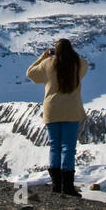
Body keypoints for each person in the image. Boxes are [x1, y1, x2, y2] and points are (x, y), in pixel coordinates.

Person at [26, 39, 89, 197]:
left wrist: (44, 56)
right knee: (68, 148)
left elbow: (30, 73)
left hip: (52, 110)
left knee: (55, 146)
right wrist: (72, 55)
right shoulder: (77, 64)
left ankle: (56, 185)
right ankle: (68, 186)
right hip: (71, 110)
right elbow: (85, 63)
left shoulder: (48, 64)